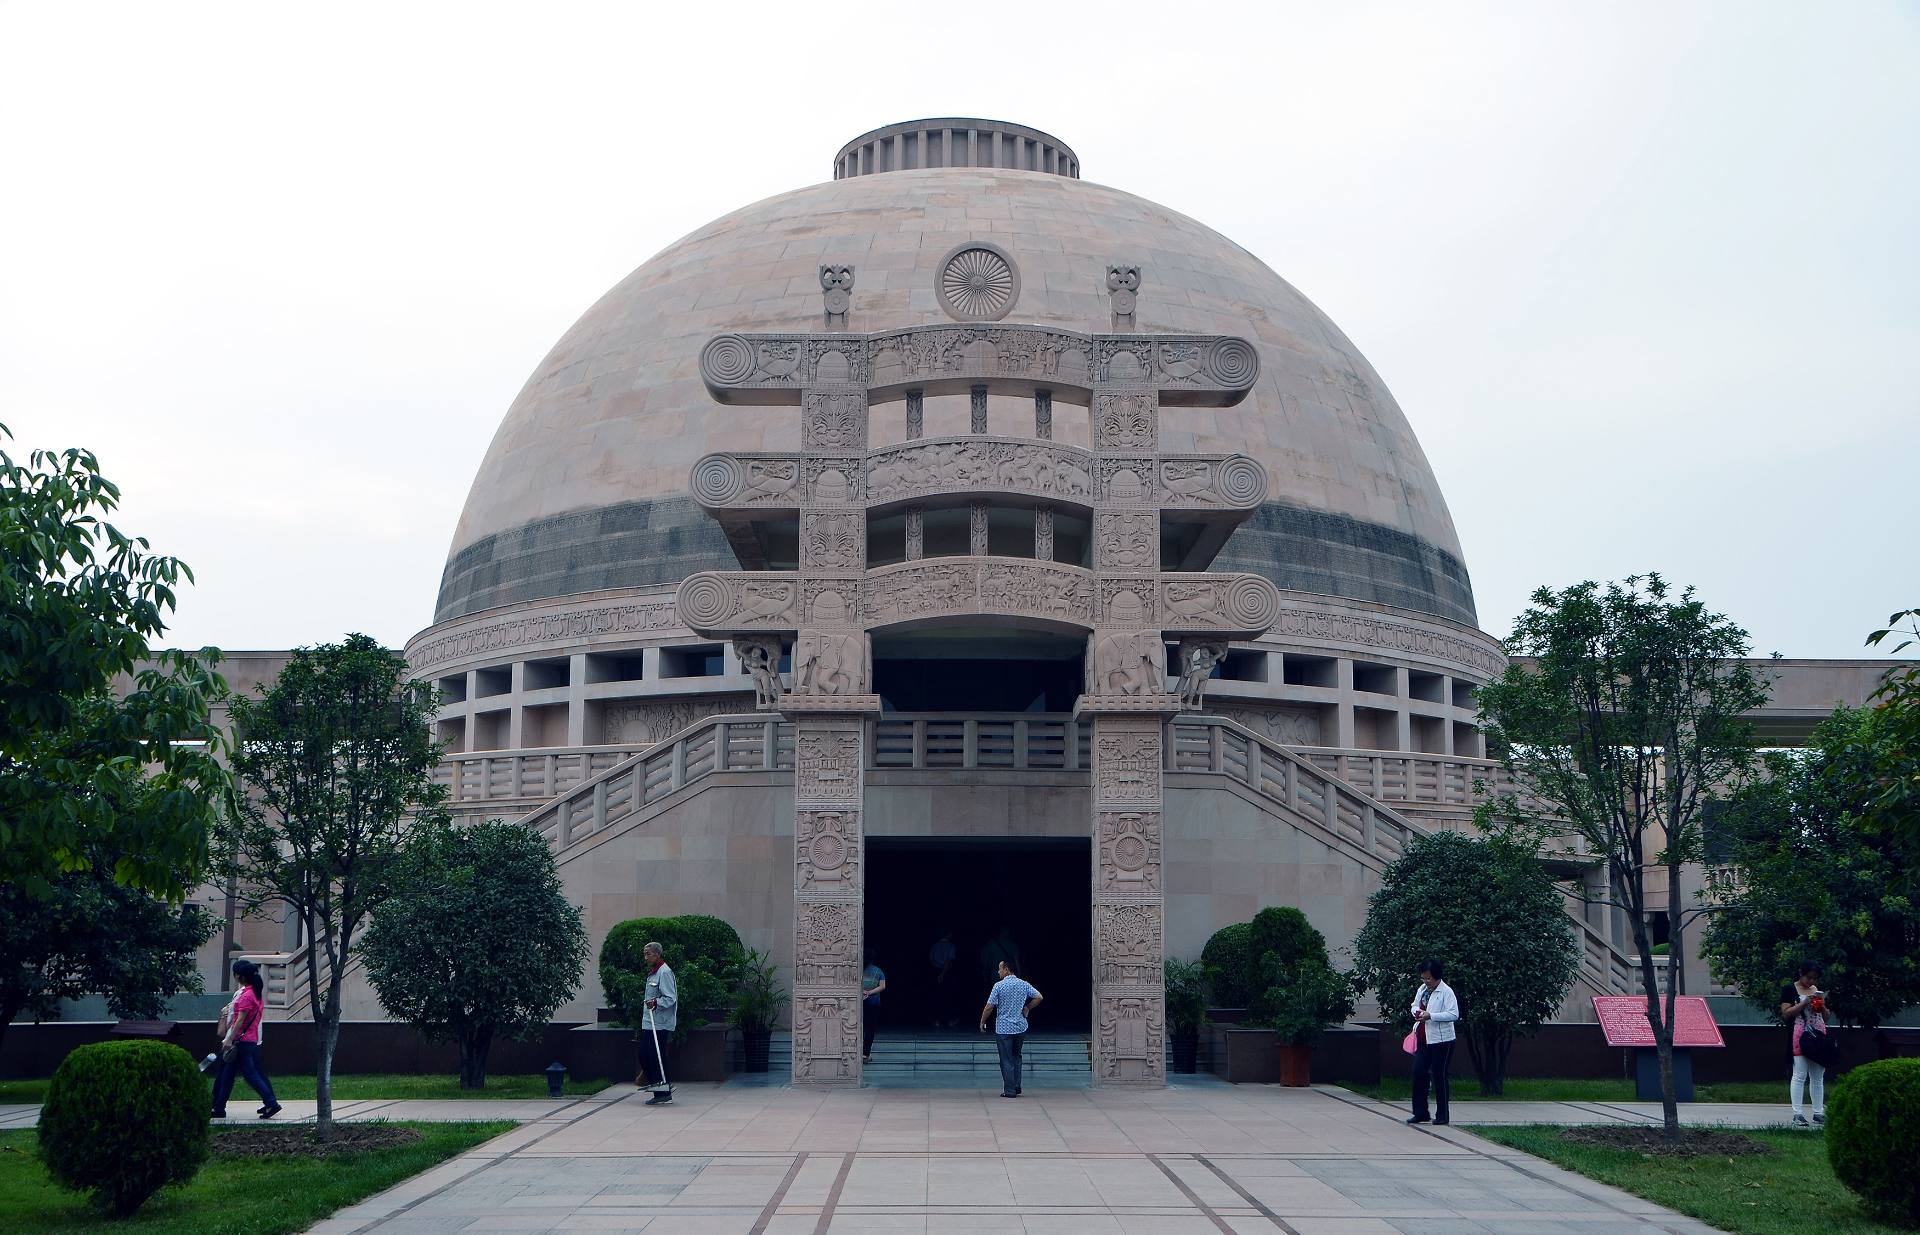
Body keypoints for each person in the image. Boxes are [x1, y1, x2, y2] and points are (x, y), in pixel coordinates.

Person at [211, 959, 280, 1120]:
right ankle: (219, 1107)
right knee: (227, 1074)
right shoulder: (256, 994)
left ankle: (271, 1102)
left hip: (242, 1042)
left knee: (250, 1074)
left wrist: (229, 1039)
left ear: (240, 976)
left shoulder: (247, 996)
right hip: (249, 1040)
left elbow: (239, 1021)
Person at [979, 959, 1043, 1098]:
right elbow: (1039, 997)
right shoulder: (1023, 984)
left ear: (1007, 970)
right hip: (1020, 1027)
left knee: (1006, 1059)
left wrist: (982, 1022)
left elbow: (989, 1006)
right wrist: (1027, 1007)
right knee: (1016, 1057)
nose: (998, 971)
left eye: (1000, 969)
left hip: (1003, 1029)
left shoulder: (998, 986)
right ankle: (1016, 1085)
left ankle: (1009, 1090)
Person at [1406, 958, 1458, 1126]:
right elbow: (1414, 1005)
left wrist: (1431, 1016)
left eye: (1429, 978)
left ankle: (1442, 1115)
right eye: (1424, 978)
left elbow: (1453, 1014)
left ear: (1437, 977)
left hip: (1442, 1041)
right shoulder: (1422, 989)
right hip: (1423, 1039)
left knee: (1439, 1076)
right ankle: (1420, 1113)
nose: (1426, 981)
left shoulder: (1446, 992)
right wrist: (1417, 1012)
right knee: (1418, 1072)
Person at [1779, 961, 1831, 1127]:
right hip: (1799, 1034)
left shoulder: (1816, 991)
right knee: (1800, 1074)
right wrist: (1803, 1003)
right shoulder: (1789, 989)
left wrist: (1821, 1006)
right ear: (1801, 974)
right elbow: (1786, 1013)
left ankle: (1818, 1112)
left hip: (1818, 1034)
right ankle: (1798, 1114)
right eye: (1809, 977)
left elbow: (1827, 1017)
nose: (1811, 981)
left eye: (1814, 978)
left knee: (1818, 1076)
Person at [638, 941, 677, 1106]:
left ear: (657, 954)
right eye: (644, 954)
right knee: (644, 1055)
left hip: (660, 1024)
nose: (645, 957)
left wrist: (655, 1002)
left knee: (656, 1056)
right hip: (649, 1022)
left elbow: (670, 998)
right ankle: (656, 1085)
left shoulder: (665, 972)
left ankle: (663, 1092)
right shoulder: (653, 972)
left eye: (648, 954)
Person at [928, 930, 958, 1028]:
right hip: (946, 973)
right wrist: (942, 973)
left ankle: (936, 1020)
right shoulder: (951, 946)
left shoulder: (934, 946)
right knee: (948, 996)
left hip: (935, 972)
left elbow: (932, 960)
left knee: (937, 996)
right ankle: (949, 1020)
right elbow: (949, 960)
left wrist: (939, 970)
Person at [861, 956, 887, 1063]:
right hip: (873, 1002)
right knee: (870, 1028)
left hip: (859, 1002)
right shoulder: (878, 970)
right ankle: (865, 1054)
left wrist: (862, 992)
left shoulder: (858, 969)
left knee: (858, 1028)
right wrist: (870, 993)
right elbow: (882, 986)